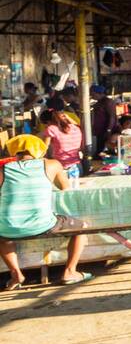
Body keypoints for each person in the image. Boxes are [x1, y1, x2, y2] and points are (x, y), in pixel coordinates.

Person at [0, 134, 91, 289]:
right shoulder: (51, 164)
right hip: (43, 224)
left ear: (14, 152)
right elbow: (65, 187)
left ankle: (16, 275)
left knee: (3, 236)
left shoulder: (3, 169)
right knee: (82, 227)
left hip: (8, 226)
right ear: (40, 150)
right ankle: (70, 271)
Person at [38, 107, 84, 177]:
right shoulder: (75, 128)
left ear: (48, 122)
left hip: (61, 167)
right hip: (77, 166)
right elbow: (77, 125)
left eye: (45, 124)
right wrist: (67, 118)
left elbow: (44, 148)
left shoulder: (51, 129)